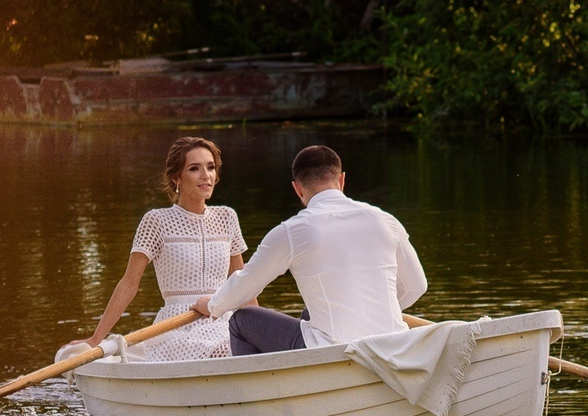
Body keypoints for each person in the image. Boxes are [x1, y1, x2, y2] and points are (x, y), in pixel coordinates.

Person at [209, 144, 426, 354]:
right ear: (341, 180)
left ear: (297, 188)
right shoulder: (386, 221)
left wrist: (213, 305)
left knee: (241, 320)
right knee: (308, 314)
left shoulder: (292, 231)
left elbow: (245, 286)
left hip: (332, 350)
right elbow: (416, 286)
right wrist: (369, 313)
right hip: (393, 344)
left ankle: (261, 390)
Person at [83, 136, 248, 361]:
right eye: (194, 168)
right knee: (223, 351)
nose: (206, 175)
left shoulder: (227, 217)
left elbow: (243, 283)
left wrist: (257, 328)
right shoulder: (157, 221)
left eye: (210, 167)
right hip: (178, 326)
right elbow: (129, 284)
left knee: (244, 348)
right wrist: (95, 339)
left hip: (222, 320)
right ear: (175, 177)